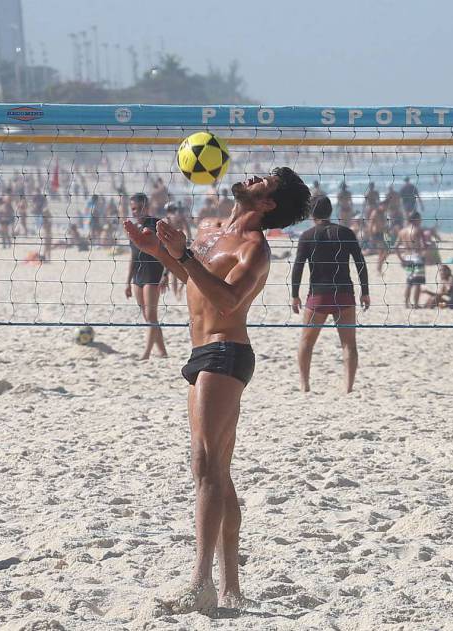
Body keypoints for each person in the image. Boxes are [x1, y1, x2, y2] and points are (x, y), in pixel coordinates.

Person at [124, 167, 310, 613]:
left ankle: (200, 581)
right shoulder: (210, 231)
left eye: (263, 181)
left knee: (206, 468)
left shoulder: (255, 248)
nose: (252, 176)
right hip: (202, 352)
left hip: (226, 353)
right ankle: (231, 588)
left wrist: (182, 255)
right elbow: (195, 280)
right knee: (215, 474)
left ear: (267, 205)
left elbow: (227, 300)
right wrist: (158, 251)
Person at [291, 195, 371, 393]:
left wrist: (294, 294)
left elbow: (298, 267)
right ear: (330, 211)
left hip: (318, 295)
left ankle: (304, 385)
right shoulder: (345, 232)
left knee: (306, 343)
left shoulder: (307, 236)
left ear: (311, 213)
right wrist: (365, 292)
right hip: (344, 293)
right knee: (349, 344)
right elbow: (360, 263)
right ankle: (348, 387)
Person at [124, 193, 168, 360]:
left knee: (151, 317)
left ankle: (146, 354)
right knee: (148, 317)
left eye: (139, 208)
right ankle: (162, 351)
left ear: (147, 208)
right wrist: (127, 283)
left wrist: (166, 275)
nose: (135, 212)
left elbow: (169, 251)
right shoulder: (132, 227)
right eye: (133, 208)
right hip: (138, 276)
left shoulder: (156, 225)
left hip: (153, 273)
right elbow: (133, 257)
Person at [395, 211, 429, 308]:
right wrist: (426, 250)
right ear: (416, 219)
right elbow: (424, 245)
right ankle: (416, 304)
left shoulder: (402, 231)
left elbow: (396, 247)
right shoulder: (418, 230)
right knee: (418, 282)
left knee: (409, 282)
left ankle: (406, 303)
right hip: (417, 257)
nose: (421, 221)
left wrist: (401, 260)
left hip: (407, 257)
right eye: (420, 219)